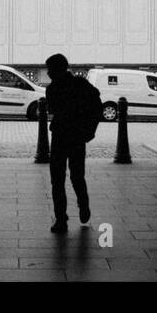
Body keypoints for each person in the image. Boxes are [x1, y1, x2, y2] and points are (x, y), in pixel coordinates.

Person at [44, 53, 100, 233]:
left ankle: (61, 218)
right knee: (77, 175)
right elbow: (96, 104)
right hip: (77, 136)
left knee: (57, 179)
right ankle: (83, 205)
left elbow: (52, 109)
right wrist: (90, 129)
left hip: (60, 136)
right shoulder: (81, 84)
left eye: (50, 70)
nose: (48, 73)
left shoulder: (52, 89)